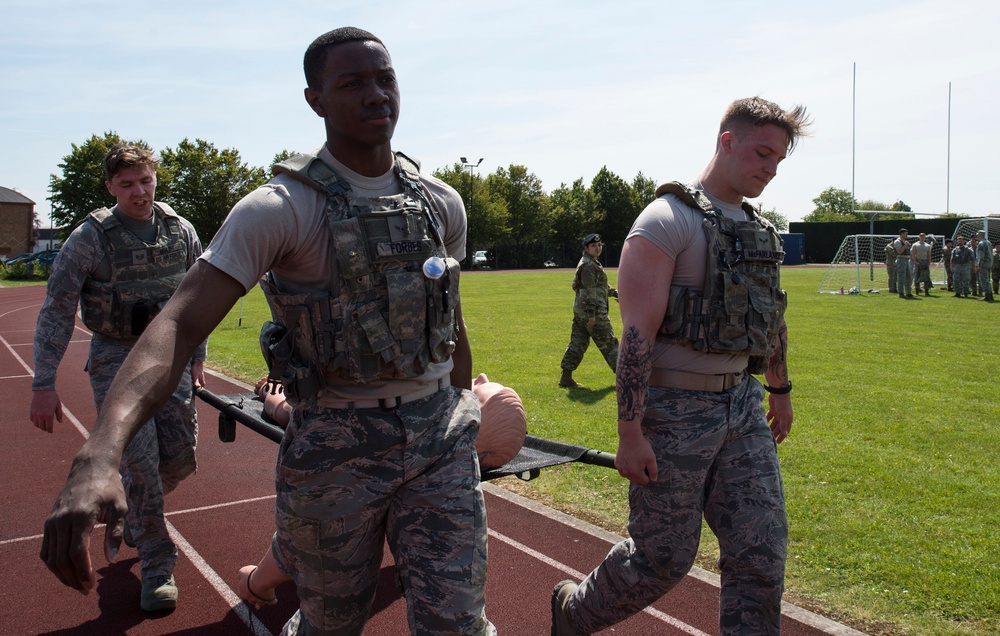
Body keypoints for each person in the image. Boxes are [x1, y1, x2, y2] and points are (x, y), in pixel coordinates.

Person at [40, 27, 495, 636]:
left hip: (440, 444)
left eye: (385, 80)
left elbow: (451, 326)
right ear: (316, 99)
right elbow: (177, 322)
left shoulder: (442, 204)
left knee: (458, 626)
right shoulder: (278, 209)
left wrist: (463, 412)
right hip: (335, 449)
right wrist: (99, 451)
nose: (375, 95)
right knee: (331, 625)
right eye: (352, 83)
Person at [551, 97, 807, 636]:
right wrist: (629, 431)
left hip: (741, 404)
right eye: (762, 152)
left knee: (761, 550)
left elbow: (773, 316)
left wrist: (779, 389)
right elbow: (635, 338)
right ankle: (573, 614)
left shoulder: (761, 231)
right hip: (674, 411)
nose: (770, 168)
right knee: (662, 558)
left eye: (779, 160)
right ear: (727, 140)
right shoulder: (666, 222)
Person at [29, 144, 206, 612]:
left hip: (170, 358)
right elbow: (58, 309)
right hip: (116, 361)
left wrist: (198, 356)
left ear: (155, 178)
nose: (139, 192)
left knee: (180, 457)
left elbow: (199, 296)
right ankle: (156, 564)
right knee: (142, 464)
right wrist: (43, 382)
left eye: (145, 180)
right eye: (126, 184)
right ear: (110, 187)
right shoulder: (90, 238)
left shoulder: (180, 230)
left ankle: (128, 500)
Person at [558, 233, 619, 387]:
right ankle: (625, 378)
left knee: (578, 343)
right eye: (593, 246)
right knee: (609, 343)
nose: (597, 248)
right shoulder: (589, 265)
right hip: (593, 312)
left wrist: (615, 293)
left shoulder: (590, 263)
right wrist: (592, 315)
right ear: (586, 248)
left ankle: (566, 377)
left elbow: (599, 286)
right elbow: (588, 291)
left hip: (581, 311)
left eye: (599, 245)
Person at [974, 230, 994, 302]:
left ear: (980, 235)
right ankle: (990, 294)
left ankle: (987, 295)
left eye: (977, 235)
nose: (977, 236)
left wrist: (979, 265)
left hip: (984, 264)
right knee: (987, 279)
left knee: (983, 280)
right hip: (989, 263)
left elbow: (981, 255)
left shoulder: (981, 243)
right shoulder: (988, 242)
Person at [893, 228, 913, 298]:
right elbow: (899, 252)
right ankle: (901, 293)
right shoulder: (897, 242)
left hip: (907, 260)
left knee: (908, 277)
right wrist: (905, 245)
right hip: (901, 260)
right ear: (901, 234)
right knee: (901, 277)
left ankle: (908, 292)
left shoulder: (905, 241)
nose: (907, 235)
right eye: (905, 234)